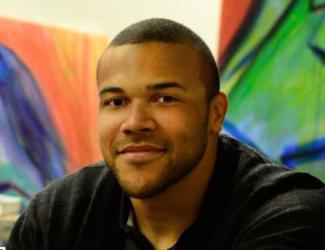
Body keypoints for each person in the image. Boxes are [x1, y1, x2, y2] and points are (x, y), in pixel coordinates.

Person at [6, 18, 325, 250]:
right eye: (116, 102)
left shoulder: (288, 218)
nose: (134, 122)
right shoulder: (57, 216)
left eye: (165, 98)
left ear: (215, 114)